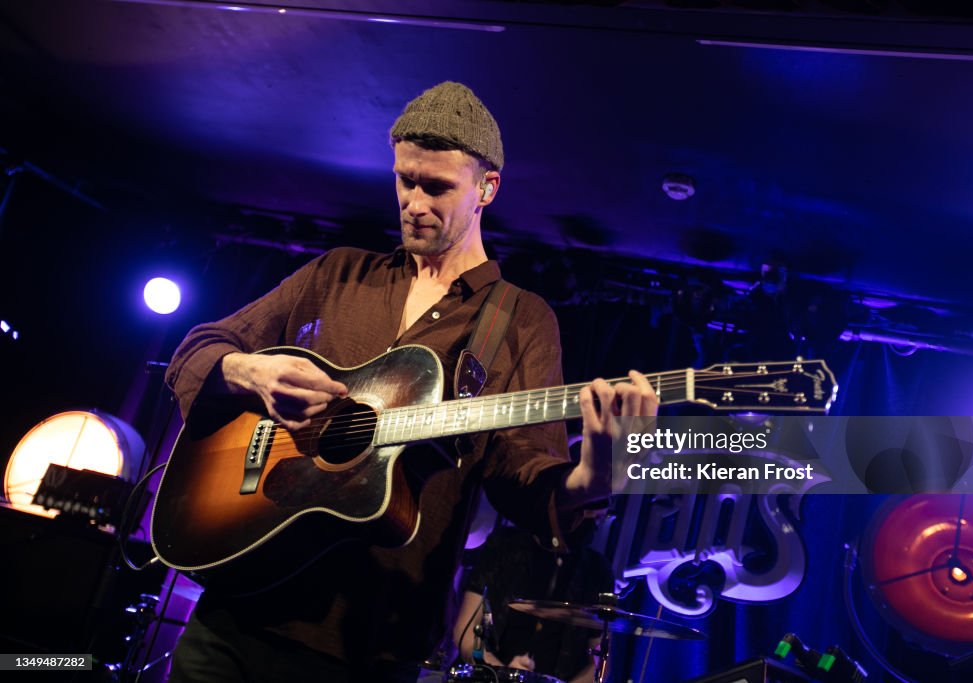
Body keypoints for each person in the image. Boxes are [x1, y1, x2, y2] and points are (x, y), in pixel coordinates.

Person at [165, 81, 658, 683]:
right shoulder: (337, 273)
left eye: (436, 187)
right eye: (404, 180)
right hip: (234, 613)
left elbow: (523, 478)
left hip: (367, 644)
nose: (413, 202)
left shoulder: (518, 321)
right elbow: (196, 351)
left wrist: (597, 476)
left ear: (487, 188)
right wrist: (248, 370)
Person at [453, 515, 613, 683]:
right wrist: (502, 674)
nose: (594, 517)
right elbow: (464, 631)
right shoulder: (503, 545)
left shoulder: (597, 570)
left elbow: (600, 662)